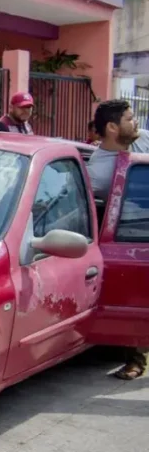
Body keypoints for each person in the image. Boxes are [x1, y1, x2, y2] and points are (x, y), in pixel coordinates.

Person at [88, 99, 149, 380]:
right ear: (113, 128)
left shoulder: (143, 139)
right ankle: (135, 358)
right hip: (134, 236)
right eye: (129, 118)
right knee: (135, 294)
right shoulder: (98, 172)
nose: (135, 122)